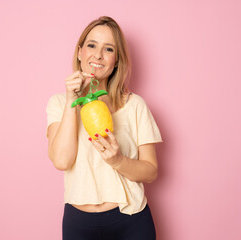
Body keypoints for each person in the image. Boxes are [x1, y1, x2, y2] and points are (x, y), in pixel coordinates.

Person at [46, 16, 163, 240]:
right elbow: (61, 161)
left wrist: (118, 161)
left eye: (108, 49)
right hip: (78, 223)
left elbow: (151, 171)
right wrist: (73, 100)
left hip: (131, 219)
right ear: (80, 52)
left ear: (116, 60)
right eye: (91, 45)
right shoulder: (59, 103)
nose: (98, 55)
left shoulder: (134, 104)